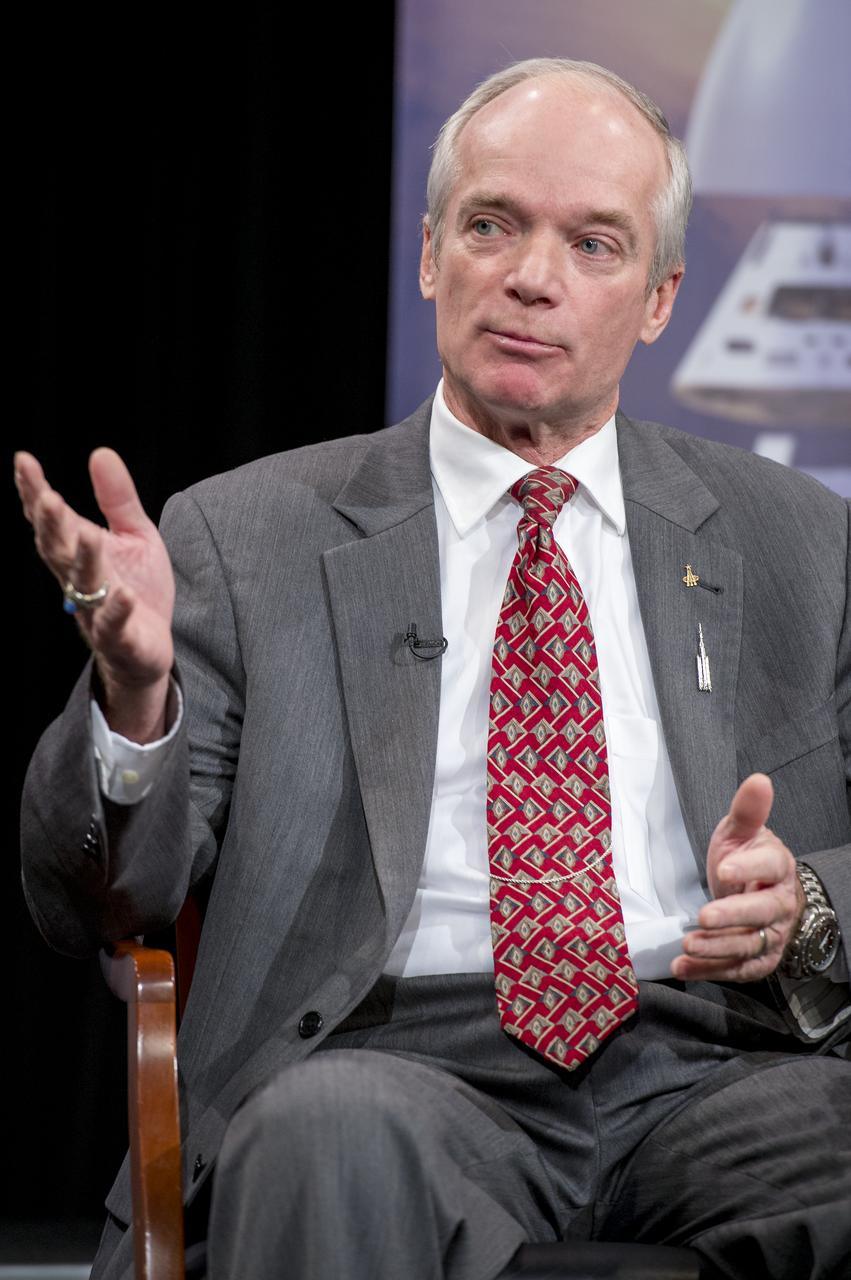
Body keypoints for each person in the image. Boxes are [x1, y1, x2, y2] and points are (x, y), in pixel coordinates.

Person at [18, 58, 851, 1280]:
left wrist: (807, 904)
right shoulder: (246, 539)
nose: (531, 275)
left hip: (716, 1062)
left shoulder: (798, 538)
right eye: (491, 224)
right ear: (428, 256)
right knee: (321, 1138)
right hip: (392, 1059)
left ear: (661, 297)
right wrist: (135, 704)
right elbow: (91, 896)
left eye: (594, 244)